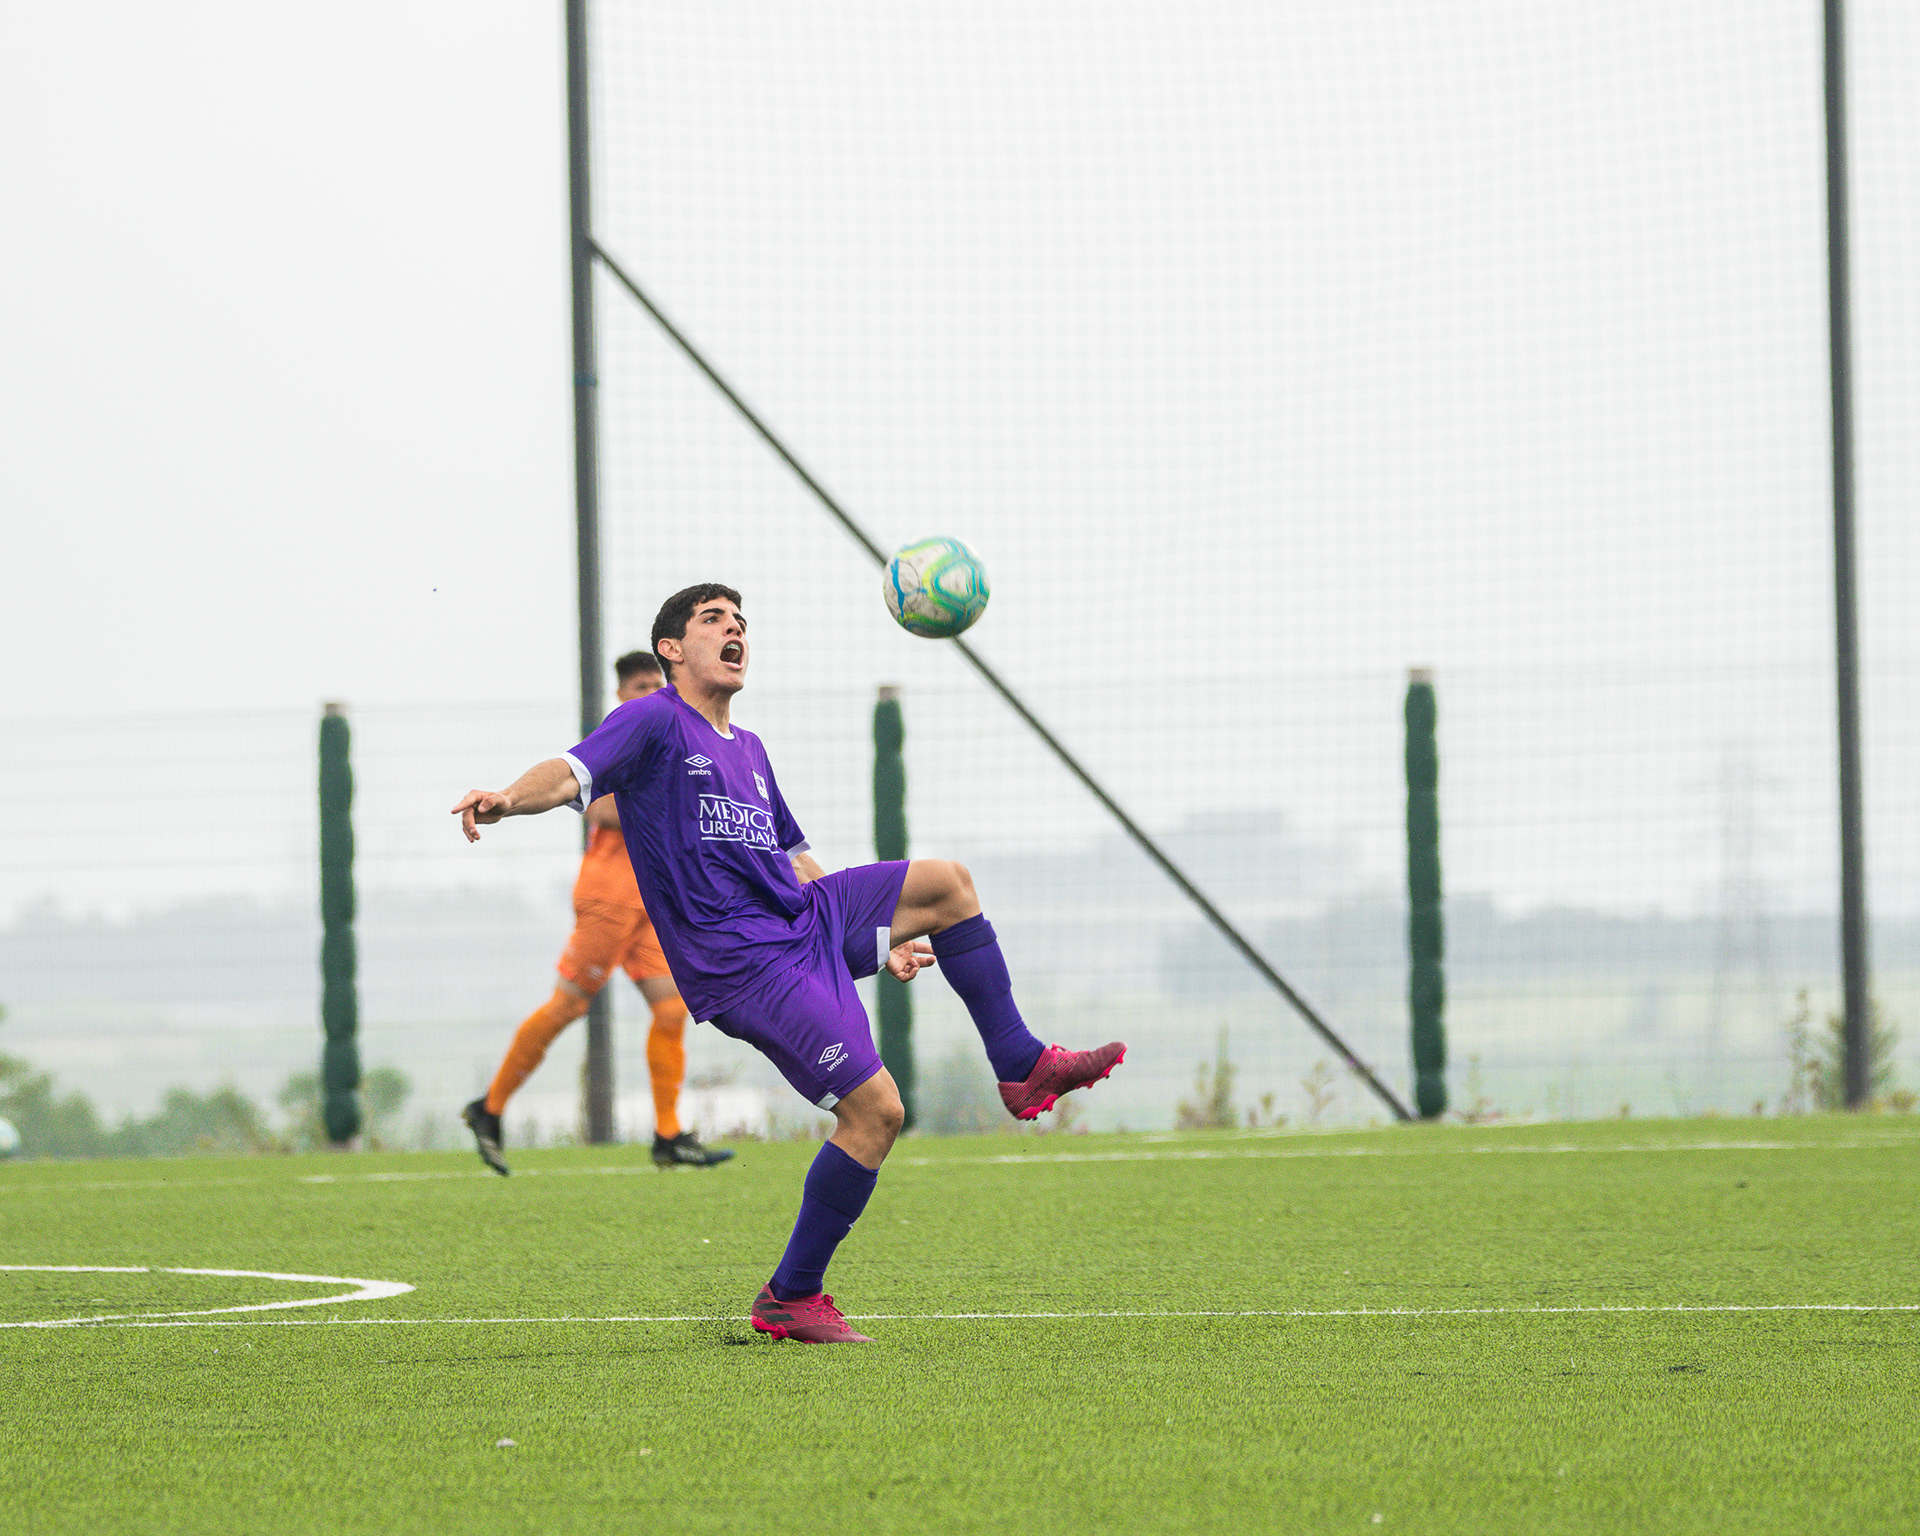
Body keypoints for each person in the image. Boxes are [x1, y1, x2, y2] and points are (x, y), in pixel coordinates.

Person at [452, 583, 1125, 1343]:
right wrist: (507, 798)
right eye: (713, 620)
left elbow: (794, 855)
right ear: (672, 649)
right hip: (740, 961)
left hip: (802, 920)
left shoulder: (750, 749)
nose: (734, 629)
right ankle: (791, 1296)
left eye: (740, 621)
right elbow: (569, 773)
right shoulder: (652, 719)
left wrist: (875, 934)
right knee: (877, 1114)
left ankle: (1023, 1065)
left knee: (948, 886)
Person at [461, 650, 733, 1175]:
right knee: (568, 1005)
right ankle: (488, 1108)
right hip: (608, 897)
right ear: (620, 694)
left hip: (651, 901)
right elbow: (601, 807)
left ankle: (668, 1134)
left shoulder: (675, 738)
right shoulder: (619, 738)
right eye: (639, 685)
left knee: (672, 1008)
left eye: (656, 683)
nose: (649, 692)